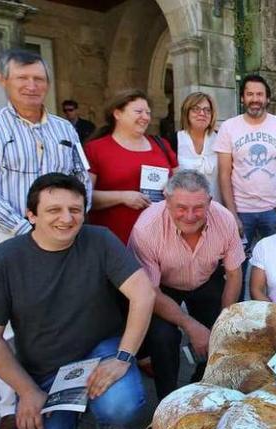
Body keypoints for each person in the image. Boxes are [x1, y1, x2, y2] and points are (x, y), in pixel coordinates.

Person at [0, 173, 155, 429]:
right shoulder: (3, 261)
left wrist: (122, 357)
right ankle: (69, 416)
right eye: (54, 210)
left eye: (75, 209)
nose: (66, 218)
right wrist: (27, 391)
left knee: (121, 403)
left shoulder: (99, 239)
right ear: (31, 214)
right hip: (45, 371)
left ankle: (109, 423)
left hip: (100, 350)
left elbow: (143, 293)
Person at [0, 48, 92, 429]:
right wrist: (24, 227)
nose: (32, 86)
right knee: (11, 321)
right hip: (7, 233)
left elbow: (80, 175)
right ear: (4, 81)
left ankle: (65, 391)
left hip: (62, 230)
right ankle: (11, 401)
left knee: (60, 311)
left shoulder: (64, 129)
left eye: (39, 79)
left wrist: (73, 217)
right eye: (23, 79)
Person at [128, 170, 244, 400]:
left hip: (205, 278)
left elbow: (234, 274)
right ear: (166, 201)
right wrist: (190, 326)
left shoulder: (225, 219)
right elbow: (150, 291)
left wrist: (223, 324)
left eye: (199, 207)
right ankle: (167, 402)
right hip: (161, 286)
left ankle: (204, 388)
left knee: (224, 332)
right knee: (163, 338)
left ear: (210, 201)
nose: (190, 215)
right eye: (181, 207)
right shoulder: (146, 228)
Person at [215, 74, 276, 298]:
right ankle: (238, 321)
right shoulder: (229, 128)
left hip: (274, 210)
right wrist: (231, 214)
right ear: (242, 98)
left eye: (259, 94)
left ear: (267, 98)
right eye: (250, 94)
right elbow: (224, 174)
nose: (255, 99)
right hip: (241, 210)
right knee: (235, 271)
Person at [85, 89, 178, 244]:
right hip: (114, 241)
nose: (145, 117)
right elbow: (83, 196)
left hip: (159, 239)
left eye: (148, 113)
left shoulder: (162, 145)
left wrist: (172, 188)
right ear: (117, 114)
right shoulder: (95, 149)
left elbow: (181, 182)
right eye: (139, 111)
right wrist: (122, 197)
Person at [177, 92, 221, 202]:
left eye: (207, 110)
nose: (202, 113)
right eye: (196, 109)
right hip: (186, 210)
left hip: (217, 207)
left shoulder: (221, 139)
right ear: (186, 112)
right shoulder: (174, 140)